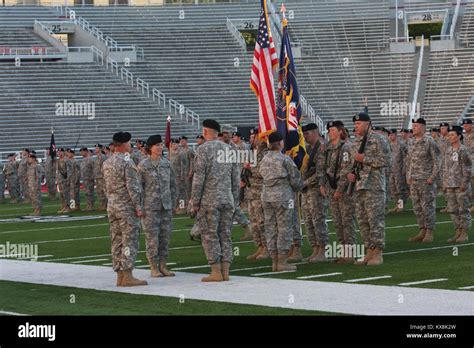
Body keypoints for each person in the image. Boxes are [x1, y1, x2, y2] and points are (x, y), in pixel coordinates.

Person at [191, 119, 239, 282]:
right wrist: (235, 199)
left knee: (210, 235)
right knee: (225, 234)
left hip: (209, 200)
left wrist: (195, 202)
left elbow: (199, 178)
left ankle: (216, 271)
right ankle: (226, 271)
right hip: (227, 198)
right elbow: (235, 177)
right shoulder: (229, 149)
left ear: (205, 132)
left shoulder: (202, 150)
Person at [344, 112, 391, 266]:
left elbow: (386, 160)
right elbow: (353, 164)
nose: (356, 126)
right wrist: (350, 174)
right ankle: (369, 252)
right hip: (358, 186)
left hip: (374, 186)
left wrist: (364, 159)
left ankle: (378, 253)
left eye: (358, 124)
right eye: (355, 124)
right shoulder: (355, 142)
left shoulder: (379, 139)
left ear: (367, 123)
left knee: (375, 220)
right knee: (363, 221)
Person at [103, 131, 147, 287]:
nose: (131, 145)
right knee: (129, 241)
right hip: (126, 207)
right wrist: (139, 207)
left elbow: (105, 187)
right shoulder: (127, 162)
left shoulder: (107, 162)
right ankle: (127, 274)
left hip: (112, 206)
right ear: (122, 145)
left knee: (116, 241)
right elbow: (133, 187)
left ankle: (119, 275)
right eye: (129, 142)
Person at [259, 131, 304, 272]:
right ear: (279, 143)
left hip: (266, 196)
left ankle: (274, 261)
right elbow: (296, 181)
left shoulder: (264, 159)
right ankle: (282, 261)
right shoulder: (285, 159)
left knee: (271, 228)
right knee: (284, 228)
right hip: (283, 196)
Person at [139, 134, 177, 278]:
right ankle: (153, 267)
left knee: (165, 237)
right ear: (150, 148)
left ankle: (163, 265)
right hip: (150, 207)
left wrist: (173, 201)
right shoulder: (144, 165)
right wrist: (140, 206)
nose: (160, 147)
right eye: (157, 145)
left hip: (165, 206)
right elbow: (139, 187)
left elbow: (173, 185)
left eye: (161, 145)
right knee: (152, 239)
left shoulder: (167, 163)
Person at [321, 121, 356, 264]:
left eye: (333, 129)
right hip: (331, 188)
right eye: (329, 129)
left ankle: (350, 253)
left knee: (347, 222)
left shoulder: (346, 148)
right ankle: (342, 252)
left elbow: (346, 170)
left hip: (343, 191)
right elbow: (324, 167)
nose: (330, 132)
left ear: (340, 131)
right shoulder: (328, 148)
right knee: (338, 222)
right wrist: (322, 184)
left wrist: (340, 190)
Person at [406, 118, 441, 243]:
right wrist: (408, 176)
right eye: (413, 125)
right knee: (417, 206)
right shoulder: (411, 142)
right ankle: (422, 230)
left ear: (422, 127)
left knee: (428, 206)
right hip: (414, 180)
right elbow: (409, 160)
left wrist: (432, 177)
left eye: (416, 126)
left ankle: (429, 232)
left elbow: (437, 161)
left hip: (426, 180)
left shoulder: (429, 142)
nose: (413, 128)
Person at [301, 123, 328, 262]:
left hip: (316, 189)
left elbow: (320, 171)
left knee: (318, 219)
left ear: (315, 133)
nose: (305, 136)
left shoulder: (321, 147)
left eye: (307, 134)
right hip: (307, 190)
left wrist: (303, 183)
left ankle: (323, 250)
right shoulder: (309, 148)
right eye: (304, 134)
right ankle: (315, 248)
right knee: (308, 220)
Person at [443, 126, 471, 243]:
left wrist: (465, 182)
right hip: (450, 183)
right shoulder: (448, 150)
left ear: (459, 136)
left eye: (453, 135)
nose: (450, 137)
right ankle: (457, 231)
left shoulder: (463, 150)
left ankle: (464, 232)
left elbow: (468, 167)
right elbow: (445, 167)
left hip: (460, 184)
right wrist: (445, 182)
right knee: (453, 210)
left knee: (463, 209)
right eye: (449, 135)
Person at [246, 127, 270, 261]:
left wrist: (249, 169)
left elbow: (263, 171)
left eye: (254, 136)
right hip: (251, 191)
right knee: (254, 222)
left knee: (262, 221)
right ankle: (260, 246)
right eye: (250, 137)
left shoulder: (265, 152)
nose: (251, 139)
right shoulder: (252, 152)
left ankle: (267, 247)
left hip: (260, 190)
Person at [388, 129, 408, 212]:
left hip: (399, 170)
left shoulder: (401, 144)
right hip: (391, 170)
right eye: (389, 135)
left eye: (392, 135)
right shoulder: (388, 145)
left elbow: (406, 157)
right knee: (393, 189)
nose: (390, 137)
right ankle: (397, 205)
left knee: (400, 189)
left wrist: (404, 169)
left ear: (395, 135)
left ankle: (401, 206)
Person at [462, 119, 474, 212]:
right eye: (464, 126)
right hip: (468, 162)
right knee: (470, 182)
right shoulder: (464, 136)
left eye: (467, 125)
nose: (465, 127)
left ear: (471, 125)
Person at [27, 151, 42, 216]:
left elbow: (39, 177)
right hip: (30, 184)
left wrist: (36, 185)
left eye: (29, 158)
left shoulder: (37, 166)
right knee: (32, 198)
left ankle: (38, 210)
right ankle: (35, 209)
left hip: (35, 185)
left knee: (36, 197)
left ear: (33, 159)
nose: (28, 160)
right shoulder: (30, 166)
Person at [56, 148, 71, 213]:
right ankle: (63, 207)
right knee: (61, 194)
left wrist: (68, 180)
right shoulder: (58, 160)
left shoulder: (66, 160)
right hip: (60, 180)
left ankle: (68, 207)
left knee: (66, 194)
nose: (58, 153)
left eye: (60, 152)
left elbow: (69, 171)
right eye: (58, 152)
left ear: (63, 152)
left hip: (65, 180)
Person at [80, 147, 95, 211]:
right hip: (85, 179)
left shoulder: (90, 159)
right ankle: (88, 205)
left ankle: (90, 206)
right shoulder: (84, 159)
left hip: (89, 179)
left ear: (86, 152)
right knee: (86, 193)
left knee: (89, 193)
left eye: (82, 152)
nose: (81, 153)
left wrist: (92, 177)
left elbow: (94, 169)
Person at [94, 144, 108, 211]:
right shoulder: (97, 157)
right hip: (98, 177)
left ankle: (105, 205)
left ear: (100, 149)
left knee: (103, 191)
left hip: (102, 177)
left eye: (97, 148)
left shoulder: (103, 157)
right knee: (99, 192)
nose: (95, 149)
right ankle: (102, 205)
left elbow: (104, 167)